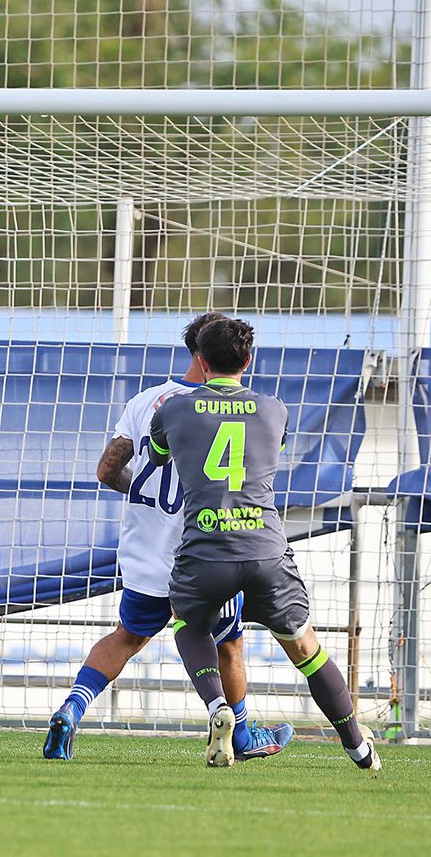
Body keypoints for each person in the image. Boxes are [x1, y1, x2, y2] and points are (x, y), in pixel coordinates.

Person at [43, 312, 292, 761]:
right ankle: (238, 731)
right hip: (206, 547)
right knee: (228, 643)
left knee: (127, 637)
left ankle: (70, 710)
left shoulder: (147, 401)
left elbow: (107, 470)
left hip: (145, 547)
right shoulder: (231, 409)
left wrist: (143, 493)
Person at [148, 316, 380, 771]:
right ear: (248, 361)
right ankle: (358, 747)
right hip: (265, 548)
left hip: (207, 548)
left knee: (187, 623)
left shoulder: (173, 409)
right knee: (304, 647)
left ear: (200, 360)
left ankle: (218, 706)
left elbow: (159, 457)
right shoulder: (273, 410)